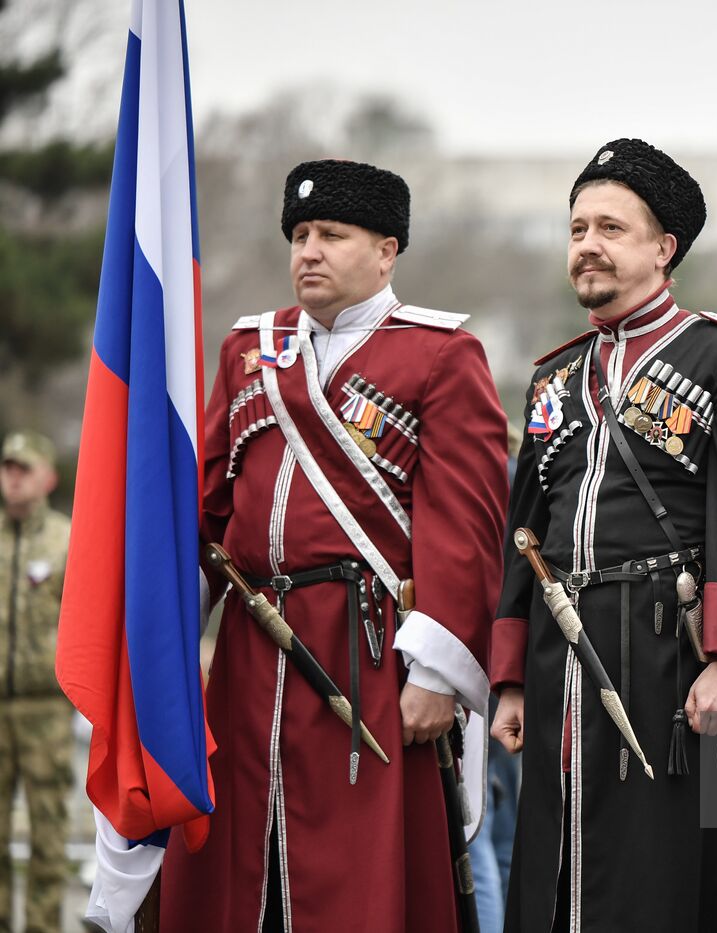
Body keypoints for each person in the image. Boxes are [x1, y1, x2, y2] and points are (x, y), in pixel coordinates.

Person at [159, 159, 508, 932]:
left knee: (361, 883)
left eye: (332, 235)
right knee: (241, 874)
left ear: (386, 251)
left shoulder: (441, 355)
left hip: (372, 656)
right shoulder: (249, 349)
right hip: (251, 655)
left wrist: (440, 675)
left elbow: (466, 531)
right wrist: (158, 652)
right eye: (300, 235)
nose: (308, 251)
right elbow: (207, 516)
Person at [490, 138, 717, 933]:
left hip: (685, 657)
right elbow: (526, 530)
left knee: (693, 882)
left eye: (611, 228)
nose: (587, 244)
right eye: (576, 228)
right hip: (565, 660)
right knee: (559, 870)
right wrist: (512, 677)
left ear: (664, 249)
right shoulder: (554, 377)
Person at [0, 431, 72, 933]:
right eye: (8, 467)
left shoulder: (68, 540)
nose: (14, 477)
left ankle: (44, 926)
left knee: (47, 829)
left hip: (45, 710)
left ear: (48, 477)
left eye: (24, 468)